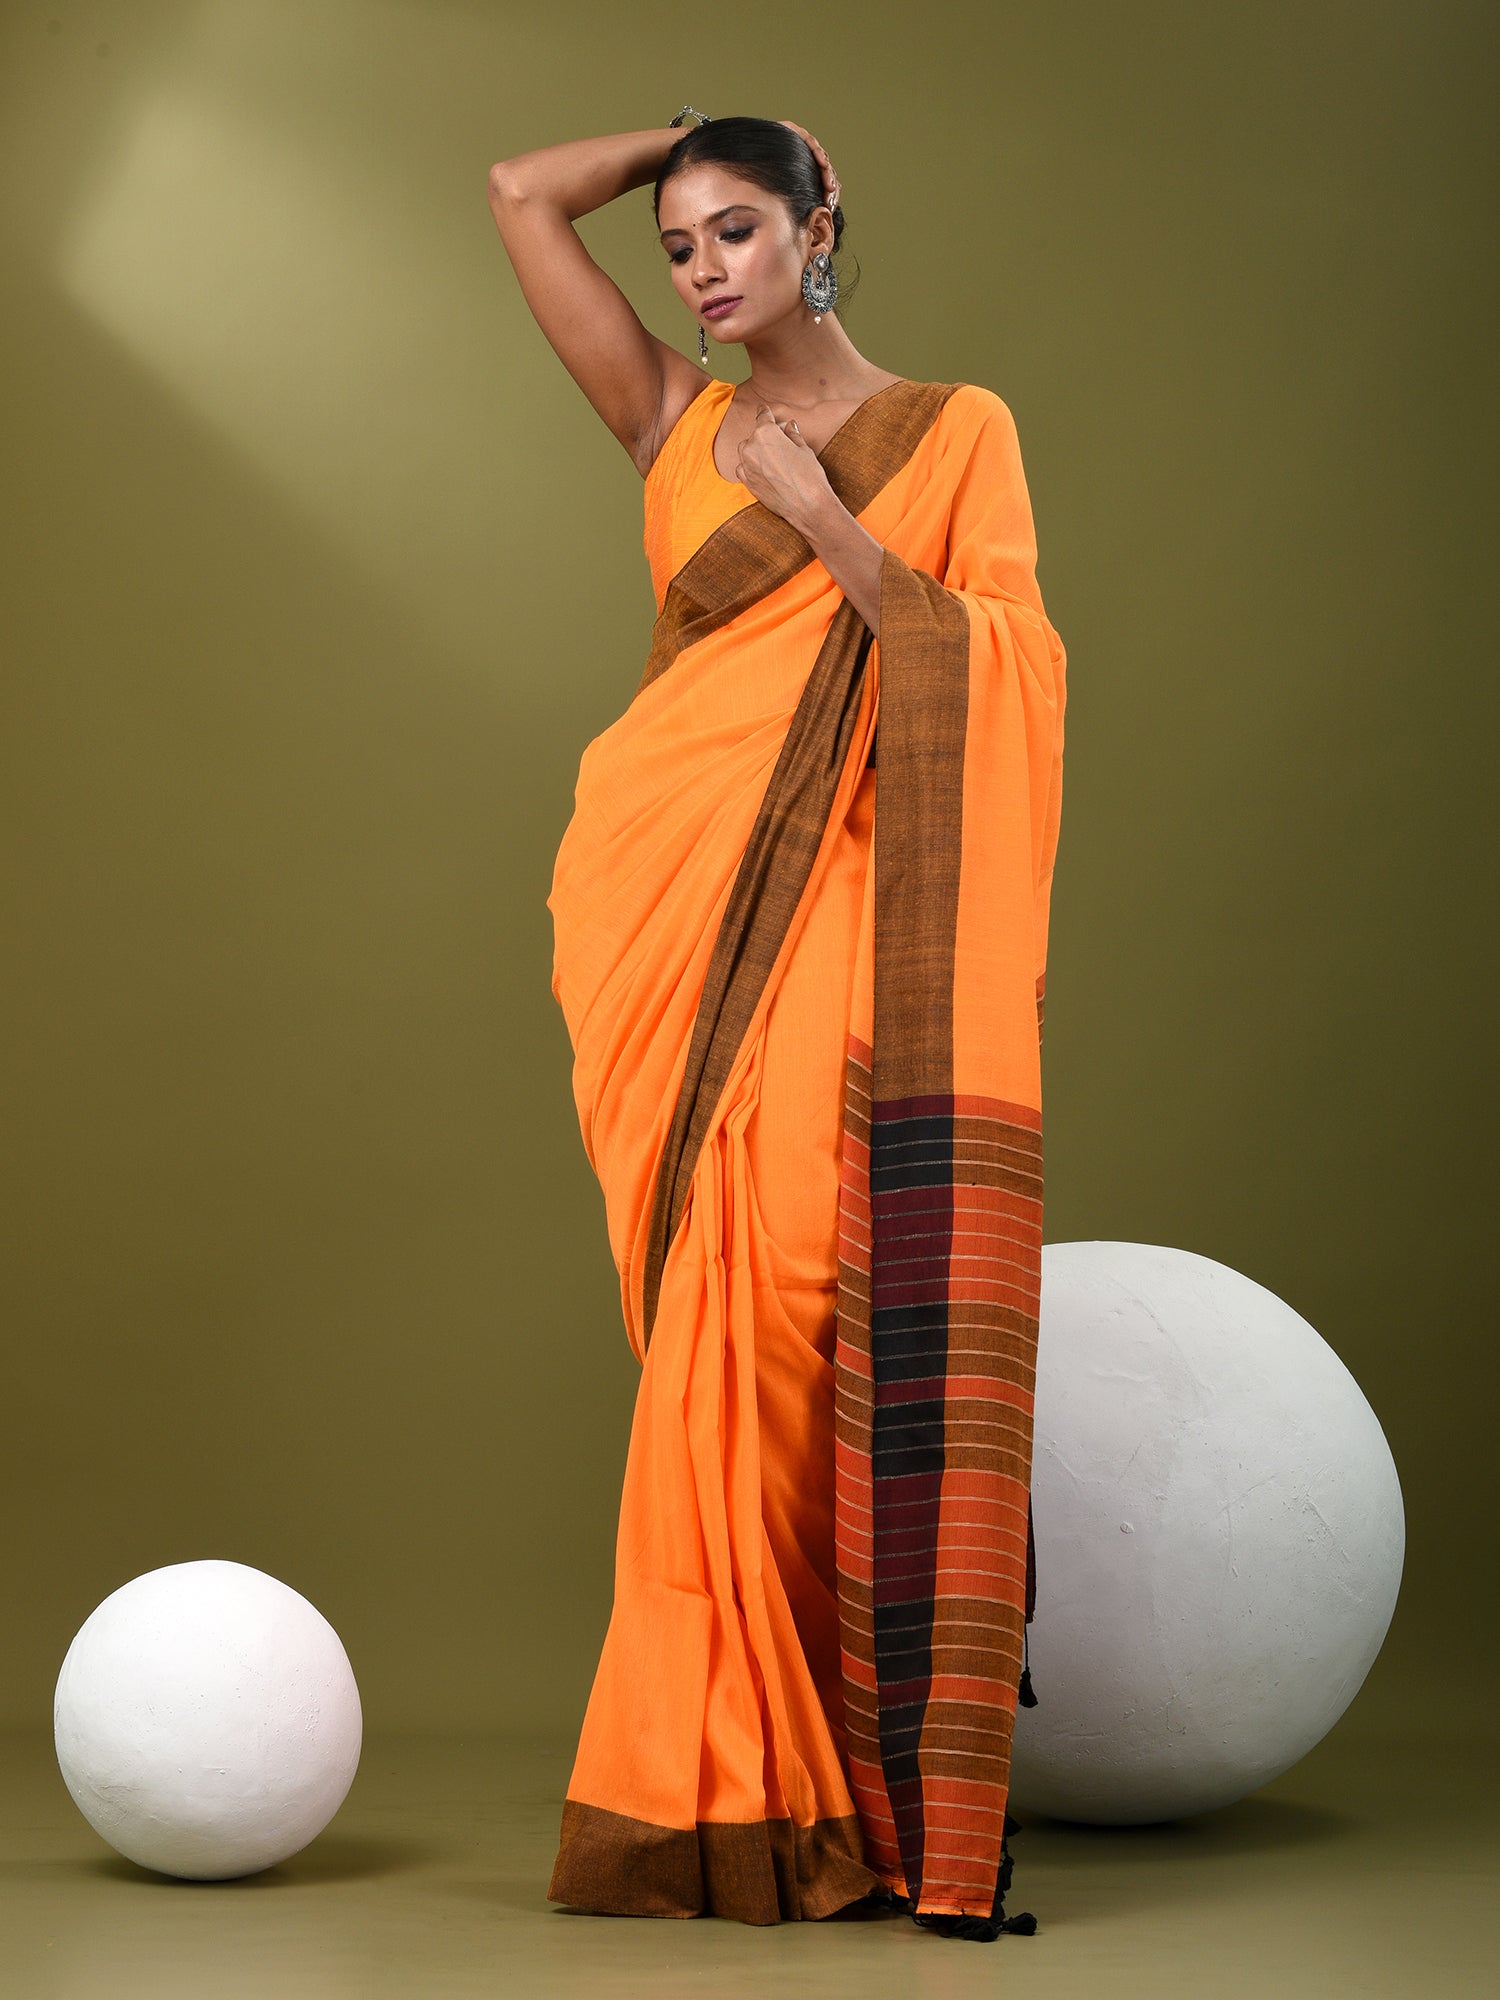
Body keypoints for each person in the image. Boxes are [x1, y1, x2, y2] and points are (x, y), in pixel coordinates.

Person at [486, 110, 1067, 1942]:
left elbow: (1006, 662)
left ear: (821, 228)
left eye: (739, 225)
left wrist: (821, 517)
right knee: (710, 1327)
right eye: (680, 243)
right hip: (660, 907)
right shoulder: (672, 421)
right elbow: (519, 193)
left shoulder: (955, 431)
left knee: (805, 1295)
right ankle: (743, 1795)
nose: (705, 268)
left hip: (839, 906)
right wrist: (683, 134)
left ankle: (864, 1777)